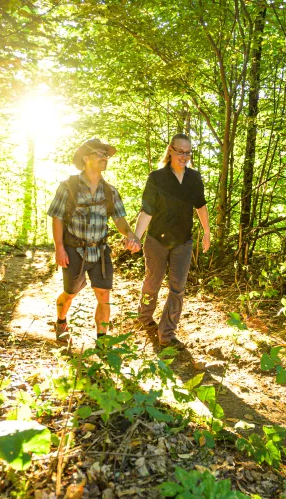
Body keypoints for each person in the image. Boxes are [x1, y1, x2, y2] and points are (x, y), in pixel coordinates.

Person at [48, 139, 141, 342]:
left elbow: (119, 219)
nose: (104, 157)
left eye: (106, 155)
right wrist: (59, 248)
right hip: (74, 250)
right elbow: (57, 217)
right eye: (99, 153)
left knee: (104, 296)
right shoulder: (68, 186)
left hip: (100, 251)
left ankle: (102, 341)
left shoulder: (110, 191)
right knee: (70, 294)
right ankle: (61, 320)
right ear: (85, 157)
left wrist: (131, 235)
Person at [133, 134, 211, 350]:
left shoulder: (194, 178)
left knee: (178, 288)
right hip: (157, 240)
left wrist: (207, 231)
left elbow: (201, 206)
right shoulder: (157, 177)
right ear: (170, 150)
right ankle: (145, 316)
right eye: (180, 151)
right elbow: (147, 210)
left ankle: (166, 333)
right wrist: (136, 238)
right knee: (153, 282)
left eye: (188, 152)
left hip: (183, 242)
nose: (184, 156)